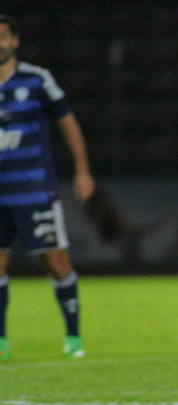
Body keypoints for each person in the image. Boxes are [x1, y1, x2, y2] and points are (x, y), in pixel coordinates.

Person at [0, 14, 93, 360]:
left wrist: (82, 170)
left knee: (56, 263)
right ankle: (1, 341)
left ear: (15, 41)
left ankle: (72, 337)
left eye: (3, 37)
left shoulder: (37, 80)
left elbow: (68, 124)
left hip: (35, 191)